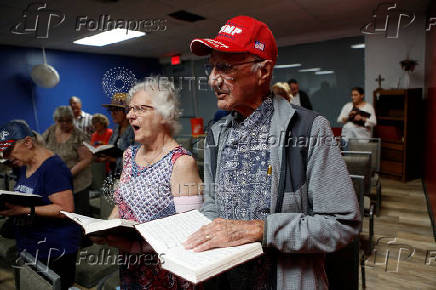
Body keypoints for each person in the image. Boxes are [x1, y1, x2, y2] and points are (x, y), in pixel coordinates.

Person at [184, 15, 360, 289]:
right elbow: (212, 206)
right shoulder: (217, 134)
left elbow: (340, 224)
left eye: (224, 68)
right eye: (211, 68)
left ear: (263, 71)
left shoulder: (309, 130)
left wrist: (262, 230)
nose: (212, 80)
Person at [96, 78, 203, 289]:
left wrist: (135, 246)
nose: (129, 115)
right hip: (129, 266)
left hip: (165, 275)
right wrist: (105, 228)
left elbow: (189, 236)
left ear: (165, 114)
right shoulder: (129, 155)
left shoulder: (181, 163)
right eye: (130, 109)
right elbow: (121, 204)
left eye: (140, 109)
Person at [0, 120, 80, 290]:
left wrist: (23, 210)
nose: (7, 157)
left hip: (55, 249)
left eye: (10, 152)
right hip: (30, 246)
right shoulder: (23, 165)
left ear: (28, 142)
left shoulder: (53, 167)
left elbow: (65, 209)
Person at [43, 106, 93, 215]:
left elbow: (86, 159)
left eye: (68, 120)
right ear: (56, 120)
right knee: (62, 214)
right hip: (56, 182)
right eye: (61, 121)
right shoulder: (50, 131)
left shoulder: (79, 135)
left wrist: (66, 175)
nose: (65, 123)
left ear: (72, 119)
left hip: (77, 183)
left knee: (79, 215)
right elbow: (42, 149)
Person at [101, 93, 135, 178]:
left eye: (116, 110)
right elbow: (111, 148)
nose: (113, 113)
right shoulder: (116, 129)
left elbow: (138, 159)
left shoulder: (135, 130)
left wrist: (115, 160)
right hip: (113, 175)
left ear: (126, 111)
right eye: (111, 110)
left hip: (129, 178)